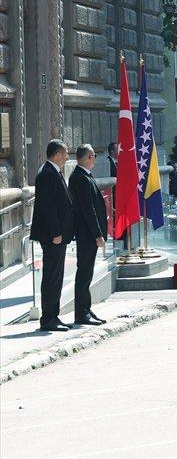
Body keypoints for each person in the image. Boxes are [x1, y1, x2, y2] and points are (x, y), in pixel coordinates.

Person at [31, 140, 75, 331]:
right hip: (53, 236)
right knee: (52, 276)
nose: (67, 157)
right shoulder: (48, 173)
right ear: (57, 154)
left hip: (57, 235)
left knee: (56, 277)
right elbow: (48, 208)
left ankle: (53, 316)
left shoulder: (52, 171)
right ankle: (48, 318)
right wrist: (56, 232)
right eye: (65, 153)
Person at [68, 144, 107, 327]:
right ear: (87, 157)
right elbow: (88, 210)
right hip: (86, 234)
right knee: (84, 273)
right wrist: (98, 234)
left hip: (88, 234)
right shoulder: (80, 177)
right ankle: (81, 313)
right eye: (93, 156)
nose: (94, 160)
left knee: (87, 274)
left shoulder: (85, 175)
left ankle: (86, 308)